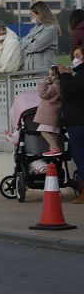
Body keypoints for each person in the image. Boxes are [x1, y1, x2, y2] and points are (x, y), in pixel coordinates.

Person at [58, 47, 84, 203]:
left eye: (78, 55)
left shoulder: (81, 76)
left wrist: (64, 75)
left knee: (80, 156)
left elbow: (68, 91)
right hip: (78, 122)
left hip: (79, 123)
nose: (74, 59)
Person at [20, 1, 60, 71]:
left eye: (32, 15)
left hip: (43, 69)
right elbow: (22, 42)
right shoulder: (34, 28)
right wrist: (32, 41)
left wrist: (28, 44)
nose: (31, 17)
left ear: (40, 14)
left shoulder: (51, 28)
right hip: (29, 68)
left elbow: (36, 46)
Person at [36, 66, 64, 157]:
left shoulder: (54, 87)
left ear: (58, 76)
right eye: (48, 74)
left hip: (48, 116)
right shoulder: (59, 86)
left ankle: (55, 148)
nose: (49, 76)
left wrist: (43, 83)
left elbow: (43, 94)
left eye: (52, 75)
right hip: (54, 115)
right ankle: (55, 149)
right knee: (53, 132)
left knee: (44, 132)